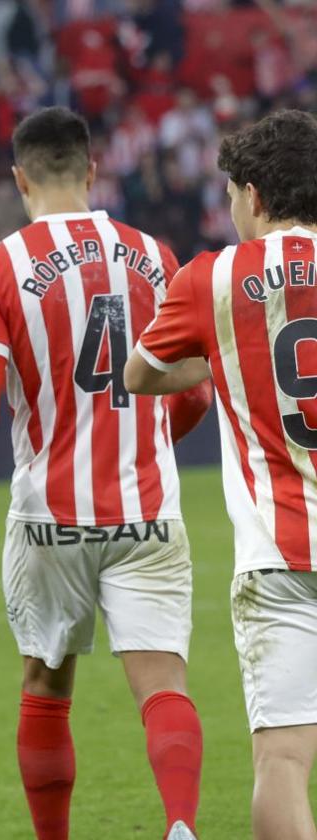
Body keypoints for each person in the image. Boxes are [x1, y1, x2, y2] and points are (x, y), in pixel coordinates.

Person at [0, 107, 210, 840]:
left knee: (47, 686)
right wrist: (151, 436)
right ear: (93, 171)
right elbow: (193, 391)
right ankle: (181, 825)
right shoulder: (156, 255)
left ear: (19, 178)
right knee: (162, 685)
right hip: (147, 507)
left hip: (49, 517)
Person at [126, 108, 317, 840]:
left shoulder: (211, 277)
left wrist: (230, 363)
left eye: (234, 195)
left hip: (279, 558)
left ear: (257, 197)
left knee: (282, 761)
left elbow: (142, 375)